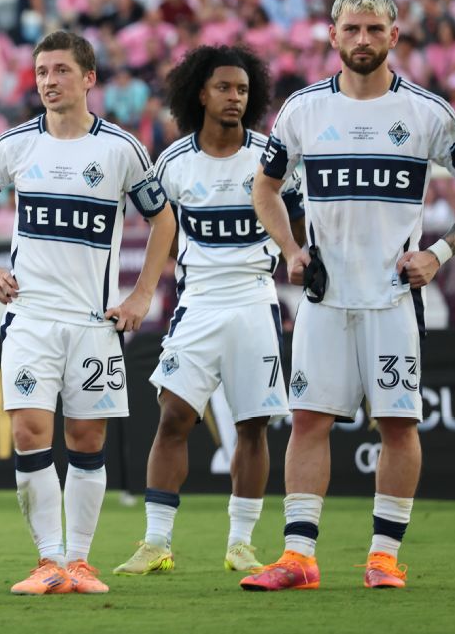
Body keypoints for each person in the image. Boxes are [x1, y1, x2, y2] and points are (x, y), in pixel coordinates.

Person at [244, 0, 455, 592]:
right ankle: (298, 558)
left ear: (395, 36)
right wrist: (291, 248)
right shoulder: (303, 109)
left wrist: (437, 254)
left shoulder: (427, 112)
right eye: (351, 29)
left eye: (373, 29)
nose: (362, 40)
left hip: (393, 298)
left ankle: (384, 557)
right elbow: (264, 188)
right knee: (307, 419)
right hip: (323, 298)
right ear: (332, 37)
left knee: (397, 425)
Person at [0, 30, 175, 596]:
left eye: (60, 70)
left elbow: (164, 221)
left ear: (88, 78)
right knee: (30, 431)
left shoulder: (120, 149)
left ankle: (79, 560)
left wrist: (141, 295)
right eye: (40, 72)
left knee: (85, 439)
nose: (49, 81)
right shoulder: (13, 145)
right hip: (30, 317)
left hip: (93, 322)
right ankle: (49, 560)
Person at [112, 45, 303, 578]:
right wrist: (148, 290)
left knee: (252, 425)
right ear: (200, 92)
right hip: (197, 304)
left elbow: (301, 223)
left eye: (243, 89)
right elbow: (160, 232)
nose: (235, 97)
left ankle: (240, 542)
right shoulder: (173, 162)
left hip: (254, 301)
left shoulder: (271, 157)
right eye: (224, 87)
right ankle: (156, 543)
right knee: (173, 416)